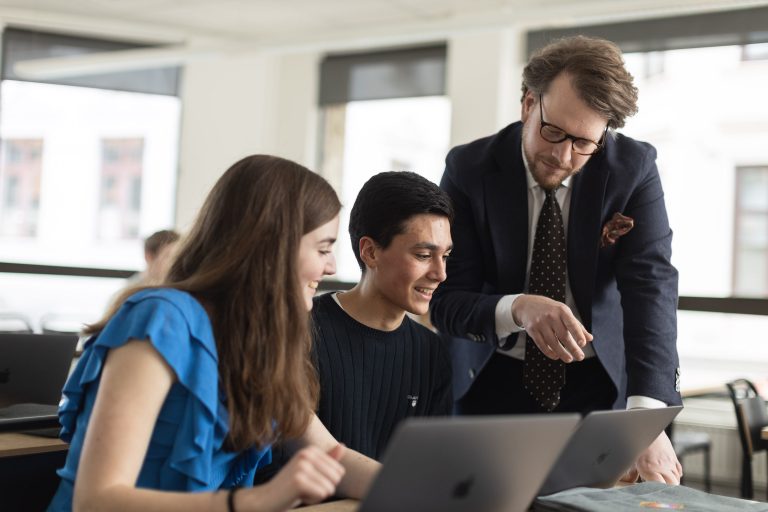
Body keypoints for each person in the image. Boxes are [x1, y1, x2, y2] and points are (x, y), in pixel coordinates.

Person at [47, 155, 378, 511]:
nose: (330, 266)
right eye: (323, 249)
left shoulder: (259, 340)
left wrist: (421, 488)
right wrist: (255, 500)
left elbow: (330, 456)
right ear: (272, 246)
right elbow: (96, 500)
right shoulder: (161, 318)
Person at [430, 36, 683, 484]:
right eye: (553, 132)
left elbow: (651, 287)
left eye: (584, 143)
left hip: (597, 383)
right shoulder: (469, 169)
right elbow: (447, 300)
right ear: (529, 103)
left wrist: (645, 418)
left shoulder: (634, 168)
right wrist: (518, 308)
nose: (563, 157)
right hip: (492, 376)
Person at [314, 171, 454, 459]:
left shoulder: (431, 352)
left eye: (446, 256)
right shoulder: (300, 332)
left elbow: (428, 466)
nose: (440, 274)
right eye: (424, 256)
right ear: (370, 252)